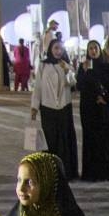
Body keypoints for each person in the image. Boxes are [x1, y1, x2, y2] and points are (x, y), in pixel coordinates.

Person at [32, 39, 79, 179]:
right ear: (51, 49)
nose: (58, 51)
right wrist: (34, 106)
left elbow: (72, 83)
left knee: (64, 139)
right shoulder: (43, 65)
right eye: (55, 48)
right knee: (50, 139)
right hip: (48, 108)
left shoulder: (67, 65)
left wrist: (66, 71)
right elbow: (37, 87)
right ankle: (50, 171)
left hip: (64, 107)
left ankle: (65, 171)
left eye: (60, 49)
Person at [76, 39, 109, 182]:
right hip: (88, 109)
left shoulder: (107, 67)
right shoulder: (83, 67)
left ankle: (107, 172)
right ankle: (91, 173)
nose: (93, 51)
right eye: (90, 49)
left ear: (99, 50)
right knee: (90, 140)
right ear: (87, 52)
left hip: (104, 109)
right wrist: (83, 71)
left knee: (106, 140)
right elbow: (80, 86)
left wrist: (106, 98)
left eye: (95, 48)